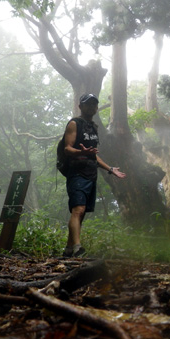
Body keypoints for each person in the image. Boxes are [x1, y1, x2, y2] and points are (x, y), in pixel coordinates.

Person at [62, 93, 126, 258]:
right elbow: (67, 148)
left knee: (82, 212)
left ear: (96, 108)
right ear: (80, 106)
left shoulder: (93, 127)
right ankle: (77, 248)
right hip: (76, 172)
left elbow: (93, 155)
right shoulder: (74, 124)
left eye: (93, 104)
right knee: (78, 209)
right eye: (87, 104)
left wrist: (110, 169)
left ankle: (69, 249)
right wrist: (80, 151)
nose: (91, 107)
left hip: (91, 173)